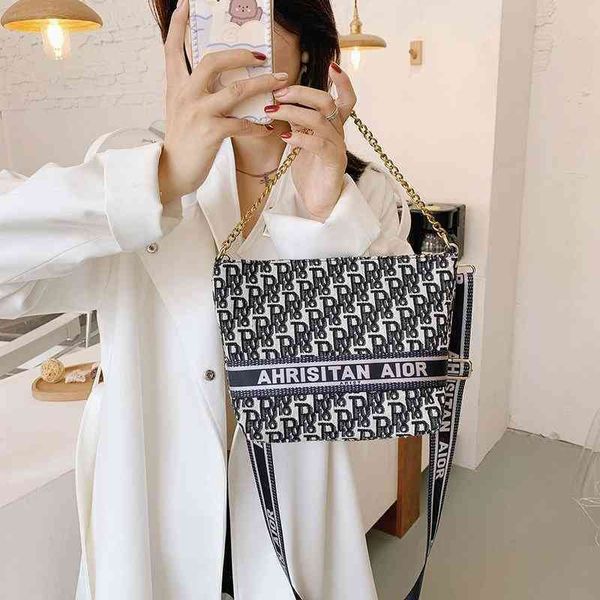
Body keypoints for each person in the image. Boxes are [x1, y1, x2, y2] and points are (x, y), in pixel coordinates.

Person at [0, 0, 412, 598]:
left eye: (248, 9)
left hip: (291, 532)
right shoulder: (131, 166)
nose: (227, 37)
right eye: (204, 15)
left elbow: (388, 388)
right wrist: (160, 181)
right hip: (150, 528)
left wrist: (327, 216)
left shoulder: (362, 192)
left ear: (305, 45)